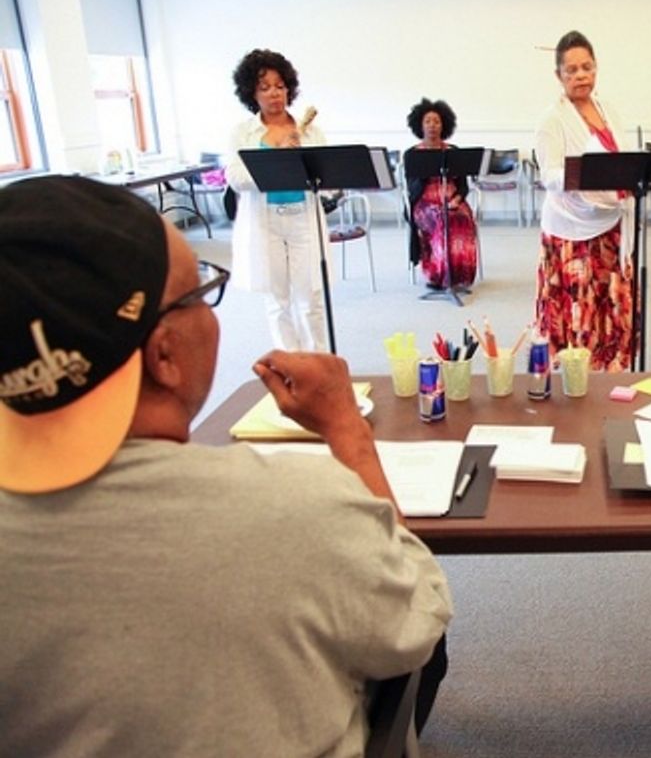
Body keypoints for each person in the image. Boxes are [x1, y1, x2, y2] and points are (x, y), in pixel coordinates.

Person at [0, 176, 452, 755]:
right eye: (203, 292)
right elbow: (417, 611)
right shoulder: (297, 508)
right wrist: (347, 429)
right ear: (163, 354)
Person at [534, 30, 635, 372]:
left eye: (587, 68)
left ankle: (609, 369)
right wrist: (582, 174)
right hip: (570, 228)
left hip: (611, 222)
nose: (580, 76)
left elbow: (623, 155)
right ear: (558, 75)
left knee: (609, 301)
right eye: (572, 70)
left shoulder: (609, 110)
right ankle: (576, 374)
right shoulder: (552, 119)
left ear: (596, 69)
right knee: (578, 304)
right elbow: (548, 174)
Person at [225, 48, 330, 352]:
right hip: (265, 221)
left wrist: (304, 162)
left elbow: (327, 184)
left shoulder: (311, 132)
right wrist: (274, 157)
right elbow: (235, 178)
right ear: (252, 93)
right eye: (265, 87)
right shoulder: (243, 133)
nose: (274, 94)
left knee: (310, 297)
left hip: (302, 218)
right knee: (277, 299)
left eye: (280, 86)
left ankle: (319, 363)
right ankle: (291, 366)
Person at [404, 98, 479, 290]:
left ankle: (459, 274)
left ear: (444, 125)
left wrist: (457, 200)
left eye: (436, 121)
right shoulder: (412, 154)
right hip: (424, 204)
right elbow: (411, 188)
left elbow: (463, 186)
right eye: (427, 121)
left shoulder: (454, 152)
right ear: (420, 125)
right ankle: (437, 275)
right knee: (441, 218)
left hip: (453, 200)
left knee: (461, 217)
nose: (432, 126)